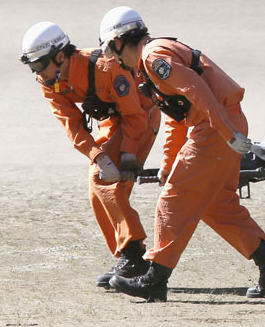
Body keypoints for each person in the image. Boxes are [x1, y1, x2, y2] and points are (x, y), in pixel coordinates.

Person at [97, 6, 265, 302]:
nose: (116, 60)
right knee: (217, 205)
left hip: (215, 129)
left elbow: (198, 91)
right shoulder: (155, 56)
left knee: (172, 201)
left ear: (120, 41)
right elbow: (179, 116)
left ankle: (156, 278)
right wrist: (168, 164)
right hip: (222, 124)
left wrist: (227, 134)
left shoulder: (152, 57)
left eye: (113, 52)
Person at [20, 21, 161, 288]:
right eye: (32, 66)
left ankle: (134, 257)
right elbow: (71, 125)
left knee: (105, 182)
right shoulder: (48, 80)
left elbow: (135, 116)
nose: (36, 72)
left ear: (60, 56)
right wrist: (98, 156)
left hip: (140, 118)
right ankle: (129, 256)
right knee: (96, 188)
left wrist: (128, 155)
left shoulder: (106, 67)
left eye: (39, 65)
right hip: (112, 122)